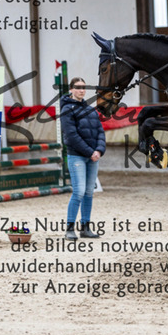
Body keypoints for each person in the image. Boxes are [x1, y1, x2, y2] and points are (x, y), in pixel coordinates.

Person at [60, 77, 106, 241]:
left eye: (83, 87)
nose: (81, 90)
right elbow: (71, 135)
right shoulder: (67, 110)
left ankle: (85, 227)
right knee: (79, 191)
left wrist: (99, 150)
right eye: (78, 87)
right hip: (77, 156)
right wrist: (90, 152)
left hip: (93, 157)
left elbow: (100, 131)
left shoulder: (90, 110)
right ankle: (69, 228)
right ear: (71, 89)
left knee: (88, 192)